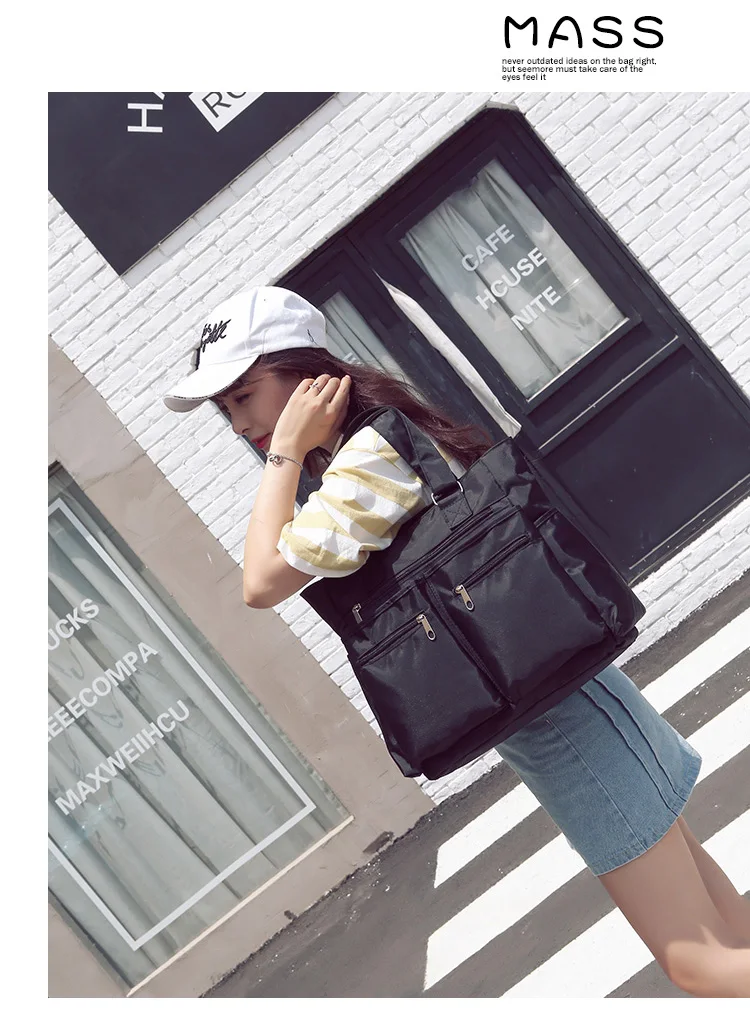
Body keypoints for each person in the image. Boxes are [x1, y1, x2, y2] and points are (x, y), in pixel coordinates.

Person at [164, 285, 750, 997]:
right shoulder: (376, 440)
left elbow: (260, 581)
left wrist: (284, 453)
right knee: (726, 928)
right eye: (224, 407)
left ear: (305, 372)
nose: (238, 422)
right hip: (570, 700)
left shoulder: (365, 463)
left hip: (560, 722)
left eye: (243, 395)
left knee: (699, 963)